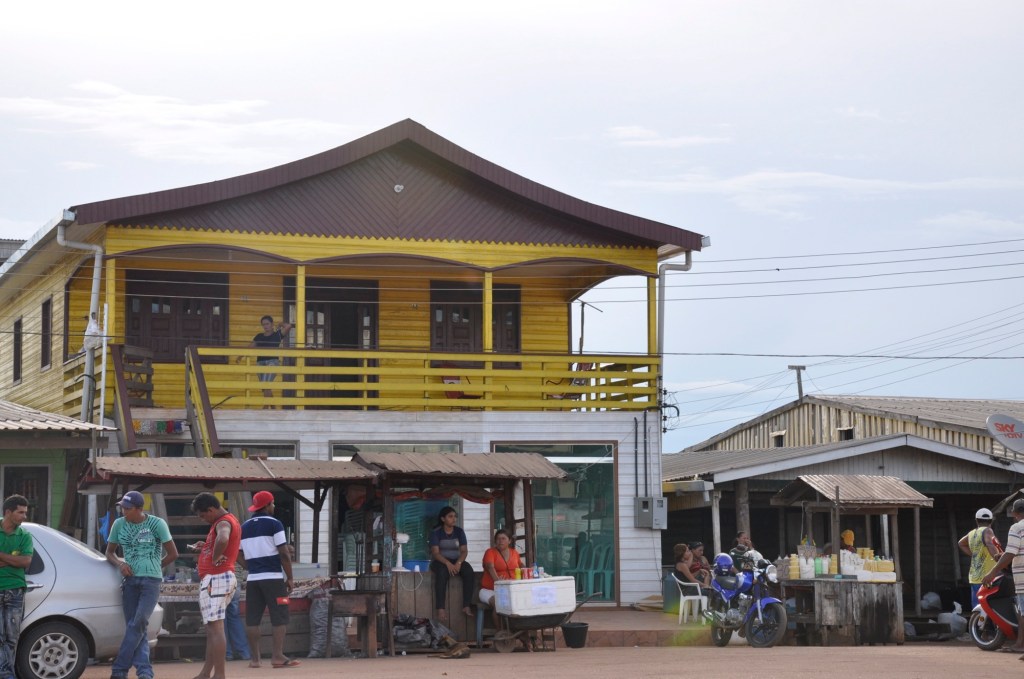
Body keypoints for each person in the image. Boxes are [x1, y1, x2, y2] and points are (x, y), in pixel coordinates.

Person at [105, 490, 178, 679]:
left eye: (127, 508)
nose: (123, 511)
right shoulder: (119, 524)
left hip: (151, 581)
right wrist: (120, 564)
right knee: (138, 628)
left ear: (139, 509)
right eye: (122, 508)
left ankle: (119, 669)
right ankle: (145, 672)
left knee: (138, 623)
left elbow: (173, 553)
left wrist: (155, 566)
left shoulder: (157, 524)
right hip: (130, 582)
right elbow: (109, 552)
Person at [239, 491, 298, 669]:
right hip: (273, 579)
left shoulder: (244, 527)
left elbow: (237, 554)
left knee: (252, 619)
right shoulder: (275, 524)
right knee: (280, 616)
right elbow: (284, 553)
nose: (274, 506)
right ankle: (277, 656)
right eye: (272, 503)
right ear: (267, 505)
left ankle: (255, 660)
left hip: (253, 580)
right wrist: (290, 577)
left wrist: (250, 566)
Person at [189, 492, 241, 679]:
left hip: (217, 578)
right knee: (212, 628)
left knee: (216, 628)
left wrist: (216, 556)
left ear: (211, 509)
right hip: (216, 578)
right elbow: (221, 540)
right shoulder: (224, 521)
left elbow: (224, 538)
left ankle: (219, 674)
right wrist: (207, 546)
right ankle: (206, 673)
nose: (203, 519)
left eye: (203, 515)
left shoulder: (223, 522)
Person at [982, 498, 1024, 656]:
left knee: (1022, 612)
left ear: (1014, 513)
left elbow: (1011, 553)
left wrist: (992, 572)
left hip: (1022, 577)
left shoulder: (1017, 527)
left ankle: (1020, 645)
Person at [0, 495, 32, 679]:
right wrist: (13, 560)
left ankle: (6, 675)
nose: (24, 516)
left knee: (12, 637)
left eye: (25, 513)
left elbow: (25, 561)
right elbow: (19, 561)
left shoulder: (24, 535)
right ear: (8, 512)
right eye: (20, 512)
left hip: (15, 590)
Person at [428, 506, 474, 622]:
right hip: (440, 561)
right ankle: (440, 608)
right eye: (450, 516)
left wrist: (459, 562)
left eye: (455, 516)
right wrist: (447, 563)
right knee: (442, 573)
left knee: (468, 571)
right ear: (443, 519)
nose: (454, 519)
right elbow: (435, 553)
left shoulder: (459, 531)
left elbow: (464, 551)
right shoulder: (436, 532)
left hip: (456, 560)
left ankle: (466, 605)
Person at [245, 315, 293, 408]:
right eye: (263, 324)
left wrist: (280, 324)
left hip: (272, 362)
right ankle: (273, 406)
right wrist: (240, 356)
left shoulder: (278, 334)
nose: (265, 326)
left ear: (272, 324)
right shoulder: (259, 336)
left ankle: (265, 407)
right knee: (265, 387)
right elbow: (250, 347)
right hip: (260, 363)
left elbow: (288, 326)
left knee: (266, 384)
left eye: (267, 324)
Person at [959, 507, 1002, 609]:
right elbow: (989, 544)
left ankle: (978, 620)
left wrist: (974, 555)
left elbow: (961, 543)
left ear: (976, 520)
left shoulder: (972, 533)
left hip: (975, 577)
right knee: (990, 608)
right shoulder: (988, 530)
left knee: (977, 609)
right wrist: (999, 560)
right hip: (988, 577)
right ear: (991, 521)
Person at [224, 588, 250, 662]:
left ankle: (226, 653)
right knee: (234, 618)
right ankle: (244, 652)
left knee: (220, 621)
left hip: (217, 588)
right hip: (234, 586)